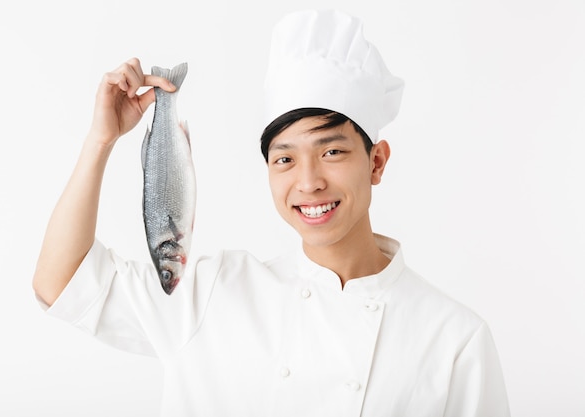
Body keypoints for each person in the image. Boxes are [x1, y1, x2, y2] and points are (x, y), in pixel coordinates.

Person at [33, 9, 510, 417]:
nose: (307, 182)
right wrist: (101, 141)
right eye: (284, 158)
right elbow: (61, 282)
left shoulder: (454, 340)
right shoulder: (210, 294)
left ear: (377, 161)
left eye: (331, 152)